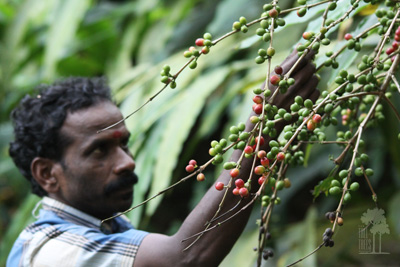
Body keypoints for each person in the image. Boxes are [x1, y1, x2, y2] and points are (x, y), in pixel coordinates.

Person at [7, 51, 318, 267]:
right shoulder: (48, 251)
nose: (127, 162)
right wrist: (259, 134)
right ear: (47, 174)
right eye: (99, 150)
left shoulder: (113, 227)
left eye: (124, 144)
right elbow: (184, 259)